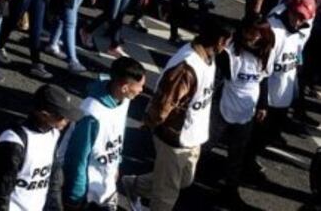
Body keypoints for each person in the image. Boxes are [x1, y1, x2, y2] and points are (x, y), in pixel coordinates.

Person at [122, 18, 233, 211]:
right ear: (219, 41)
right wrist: (152, 124)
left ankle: (134, 185)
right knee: (166, 195)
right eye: (227, 40)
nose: (229, 45)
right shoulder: (187, 67)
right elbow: (165, 102)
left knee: (183, 180)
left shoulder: (209, 57)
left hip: (192, 135)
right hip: (174, 137)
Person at [0, 84, 81, 211]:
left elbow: (54, 179)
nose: (67, 120)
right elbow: (0, 193)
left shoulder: (53, 134)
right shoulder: (14, 142)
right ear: (44, 115)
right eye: (62, 116)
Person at [61, 57, 147, 210]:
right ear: (124, 87)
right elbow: (77, 158)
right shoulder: (92, 114)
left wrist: (116, 164)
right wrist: (75, 195)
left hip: (105, 182)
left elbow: (117, 134)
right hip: (85, 190)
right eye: (139, 86)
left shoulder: (123, 100)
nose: (142, 90)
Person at [246, 0, 315, 182]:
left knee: (270, 135)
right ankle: (245, 164)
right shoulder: (274, 31)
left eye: (303, 18)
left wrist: (295, 89)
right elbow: (263, 72)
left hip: (284, 96)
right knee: (257, 136)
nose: (299, 21)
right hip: (269, 98)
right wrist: (262, 103)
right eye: (297, 16)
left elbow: (298, 55)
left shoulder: (299, 30)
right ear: (290, 11)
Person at [212, 18, 275, 208]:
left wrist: (263, 105)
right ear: (244, 30)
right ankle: (186, 179)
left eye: (259, 32)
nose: (255, 36)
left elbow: (263, 79)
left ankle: (230, 190)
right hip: (224, 104)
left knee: (237, 153)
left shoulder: (265, 52)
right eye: (251, 31)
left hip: (248, 109)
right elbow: (218, 77)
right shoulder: (230, 50)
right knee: (206, 144)